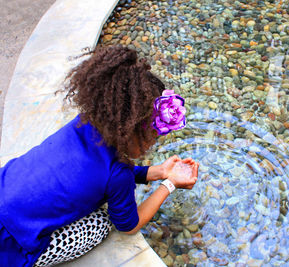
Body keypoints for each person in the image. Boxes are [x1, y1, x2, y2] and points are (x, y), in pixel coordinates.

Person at [0, 45, 199, 267]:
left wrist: (157, 172)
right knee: (102, 224)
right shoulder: (119, 174)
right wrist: (169, 184)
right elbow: (129, 226)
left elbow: (102, 167)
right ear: (130, 130)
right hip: (13, 244)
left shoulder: (83, 122)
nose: (154, 142)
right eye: (153, 135)